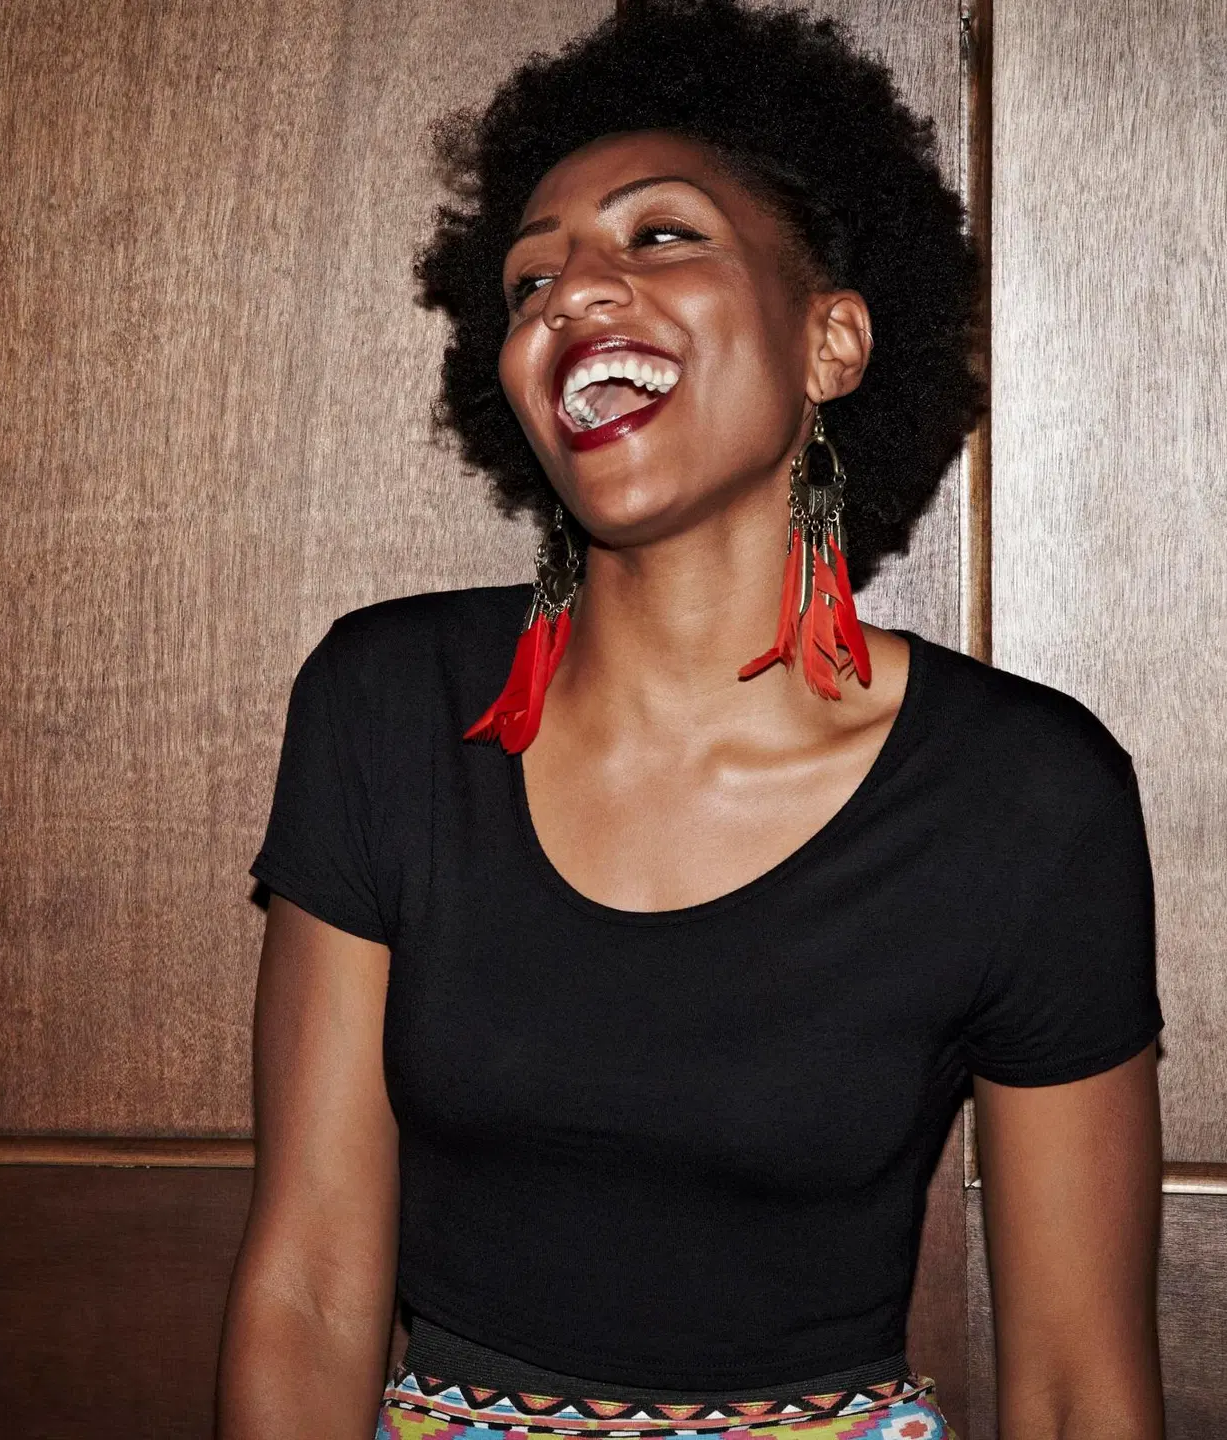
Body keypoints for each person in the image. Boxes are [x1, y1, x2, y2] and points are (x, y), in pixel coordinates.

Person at [217, 3, 1165, 1436]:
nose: (570, 296)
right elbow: (307, 1291)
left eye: (659, 236)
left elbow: (1077, 1383)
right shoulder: (389, 705)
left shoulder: (1023, 793)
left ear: (832, 341)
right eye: (530, 280)